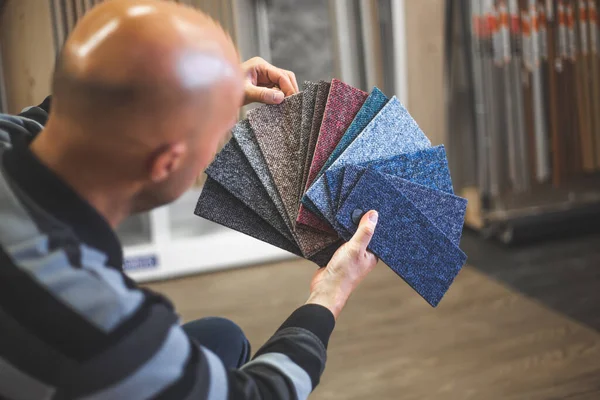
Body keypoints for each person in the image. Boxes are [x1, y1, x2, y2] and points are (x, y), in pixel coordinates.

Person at [0, 0, 379, 399]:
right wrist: (329, 294)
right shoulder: (99, 321)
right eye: (220, 138)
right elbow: (257, 394)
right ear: (166, 163)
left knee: (222, 338)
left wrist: (198, 90)